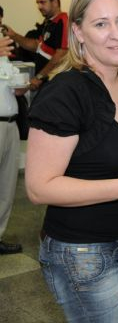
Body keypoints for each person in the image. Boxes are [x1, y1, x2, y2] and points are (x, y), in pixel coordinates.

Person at [25, 0, 118, 322]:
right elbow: (39, 188)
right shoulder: (66, 93)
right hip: (80, 250)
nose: (116, 34)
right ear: (78, 32)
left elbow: (113, 158)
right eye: (101, 24)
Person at [4, 0, 68, 90]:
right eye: (37, 3)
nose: (39, 6)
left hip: (55, 83)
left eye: (43, 2)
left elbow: (61, 54)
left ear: (55, 2)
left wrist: (39, 77)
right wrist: (13, 35)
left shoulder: (63, 21)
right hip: (44, 82)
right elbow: (38, 46)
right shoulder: (49, 22)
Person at [0, 34, 24, 255]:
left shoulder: (4, 55)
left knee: (7, 185)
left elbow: (13, 84)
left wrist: (20, 86)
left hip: (10, 124)